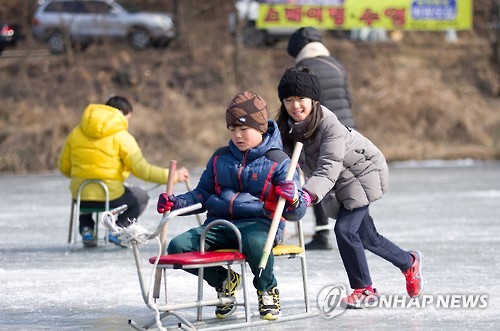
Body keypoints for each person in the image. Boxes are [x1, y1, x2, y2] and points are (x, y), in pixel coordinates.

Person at [276, 67, 423, 308]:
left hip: (361, 175)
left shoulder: (329, 126)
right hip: (336, 185)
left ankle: (364, 289)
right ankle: (409, 262)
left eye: (301, 99)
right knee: (368, 237)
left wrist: (306, 194)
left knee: (345, 230)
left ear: (313, 100)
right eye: (288, 100)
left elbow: (328, 168)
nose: (295, 106)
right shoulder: (284, 128)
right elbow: (278, 160)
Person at [156, 91, 309, 320]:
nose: (237, 135)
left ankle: (267, 289)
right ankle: (226, 281)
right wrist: (177, 203)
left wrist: (293, 197)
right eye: (232, 129)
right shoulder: (220, 157)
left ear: (261, 129)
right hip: (220, 225)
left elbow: (295, 212)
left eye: (243, 129)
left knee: (255, 245)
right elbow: (202, 194)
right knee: (178, 247)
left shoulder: (279, 161)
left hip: (260, 224)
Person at [58, 96, 190, 247]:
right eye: (127, 119)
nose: (127, 123)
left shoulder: (76, 132)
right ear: (120, 114)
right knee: (140, 197)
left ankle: (87, 229)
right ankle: (117, 229)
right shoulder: (121, 136)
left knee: (89, 193)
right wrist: (173, 176)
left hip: (81, 195)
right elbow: (143, 170)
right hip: (110, 195)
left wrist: (83, 174)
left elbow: (63, 166)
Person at [287, 26, 356, 250]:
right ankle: (355, 229)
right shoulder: (337, 64)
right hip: (347, 129)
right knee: (343, 181)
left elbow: (301, 109)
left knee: (317, 180)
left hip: (319, 131)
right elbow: (348, 99)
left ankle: (322, 234)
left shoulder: (302, 69)